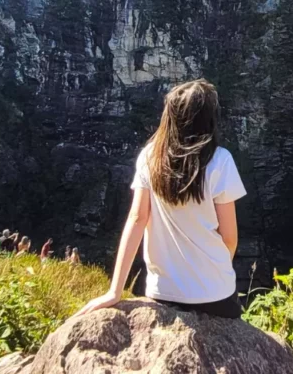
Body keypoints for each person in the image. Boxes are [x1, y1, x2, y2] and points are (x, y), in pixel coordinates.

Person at [76, 79, 247, 319]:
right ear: (208, 118)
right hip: (215, 293)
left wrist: (115, 291)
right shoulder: (221, 160)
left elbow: (137, 219)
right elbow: (229, 238)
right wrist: (215, 271)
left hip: (163, 292)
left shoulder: (150, 156)